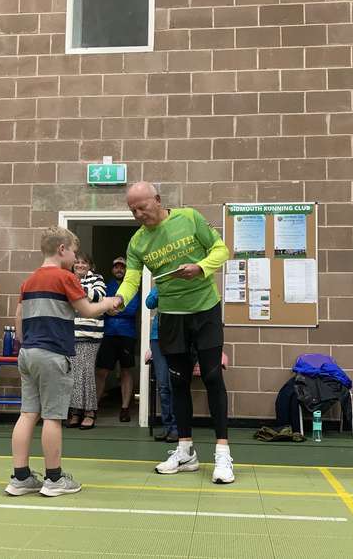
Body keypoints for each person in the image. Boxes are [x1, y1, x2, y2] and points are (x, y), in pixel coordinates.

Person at [113, 181, 234, 484]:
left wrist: (201, 267)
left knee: (211, 376)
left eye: (142, 207)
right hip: (171, 318)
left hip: (205, 311)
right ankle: (185, 451)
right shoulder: (138, 243)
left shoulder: (190, 218)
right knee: (175, 383)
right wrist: (119, 300)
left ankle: (222, 454)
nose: (138, 214)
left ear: (158, 200)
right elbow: (130, 280)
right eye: (132, 210)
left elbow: (222, 250)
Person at [4, 227, 114, 497]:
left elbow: (18, 319)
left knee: (28, 413)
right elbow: (87, 309)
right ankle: (54, 479)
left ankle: (20, 478)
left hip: (27, 353)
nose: (75, 258)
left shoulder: (28, 281)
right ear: (62, 249)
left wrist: (26, 341)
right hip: (52, 354)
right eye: (74, 252)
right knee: (53, 417)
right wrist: (110, 301)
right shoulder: (65, 277)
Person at [94, 257, 140, 422]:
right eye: (116, 267)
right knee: (101, 371)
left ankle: (125, 408)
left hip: (127, 334)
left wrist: (110, 308)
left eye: (122, 267)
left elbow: (132, 309)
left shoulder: (132, 287)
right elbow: (100, 306)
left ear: (126, 269)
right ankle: (94, 407)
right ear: (112, 269)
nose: (119, 269)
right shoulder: (106, 286)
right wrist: (109, 307)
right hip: (108, 334)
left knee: (126, 371)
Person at [67, 252, 106, 430]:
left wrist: (78, 290)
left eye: (83, 263)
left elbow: (99, 296)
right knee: (74, 373)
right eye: (77, 263)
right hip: (70, 333)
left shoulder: (97, 278)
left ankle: (90, 411)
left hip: (90, 334)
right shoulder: (67, 278)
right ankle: (76, 411)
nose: (80, 265)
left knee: (87, 372)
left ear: (90, 265)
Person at [146, 286, 178, 443]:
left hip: (177, 337)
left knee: (175, 385)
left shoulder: (184, 284)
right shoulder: (161, 283)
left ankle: (178, 428)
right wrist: (162, 287)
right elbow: (149, 303)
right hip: (157, 338)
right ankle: (168, 426)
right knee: (163, 385)